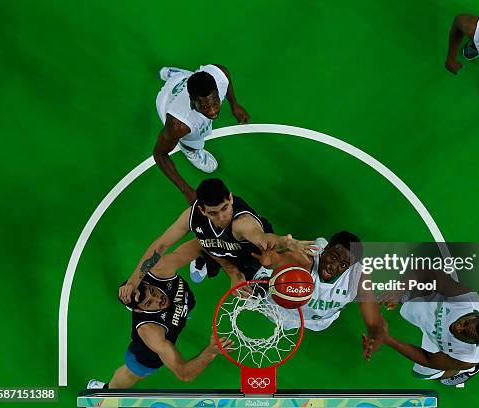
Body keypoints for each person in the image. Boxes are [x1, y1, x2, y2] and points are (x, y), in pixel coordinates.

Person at [118, 178, 312, 304]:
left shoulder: (241, 223)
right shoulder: (192, 216)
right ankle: (205, 259)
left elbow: (262, 239)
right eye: (213, 213)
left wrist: (284, 242)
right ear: (202, 209)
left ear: (230, 198)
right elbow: (160, 245)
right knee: (166, 262)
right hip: (213, 246)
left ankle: (226, 265)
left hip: (249, 254)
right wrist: (133, 281)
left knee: (252, 298)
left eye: (225, 208)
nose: (221, 217)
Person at [87, 245, 233, 389]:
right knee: (132, 373)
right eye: (149, 303)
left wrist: (231, 270)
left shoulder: (160, 270)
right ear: (139, 310)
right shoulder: (149, 330)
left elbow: (200, 243)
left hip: (181, 311)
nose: (159, 299)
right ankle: (106, 391)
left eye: (153, 291)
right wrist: (210, 352)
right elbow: (184, 374)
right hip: (146, 356)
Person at [363, 267, 479, 386]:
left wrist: (386, 338)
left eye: (465, 334)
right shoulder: (466, 300)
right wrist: (399, 291)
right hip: (431, 310)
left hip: (439, 345)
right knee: (410, 295)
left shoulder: (467, 356)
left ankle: (471, 370)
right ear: (475, 316)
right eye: (465, 323)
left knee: (421, 373)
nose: (458, 328)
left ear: (474, 343)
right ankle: (407, 296)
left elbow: (428, 359)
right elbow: (425, 271)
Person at [252, 231, 387, 344]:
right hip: (281, 309)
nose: (333, 267)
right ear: (327, 249)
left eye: (344, 265)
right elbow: (278, 259)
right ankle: (264, 277)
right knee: (277, 273)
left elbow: (373, 316)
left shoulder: (357, 278)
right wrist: (270, 262)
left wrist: (375, 332)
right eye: (333, 257)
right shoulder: (304, 259)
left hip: (317, 320)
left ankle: (324, 246)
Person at [154, 64, 250, 204]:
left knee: (194, 80)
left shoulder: (219, 76)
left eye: (215, 102)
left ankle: (178, 77)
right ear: (193, 102)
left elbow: (225, 74)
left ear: (217, 90)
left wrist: (234, 104)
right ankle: (191, 149)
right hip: (166, 100)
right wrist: (186, 190)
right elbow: (159, 154)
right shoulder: (179, 125)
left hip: (183, 82)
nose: (213, 111)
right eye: (205, 106)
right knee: (193, 136)